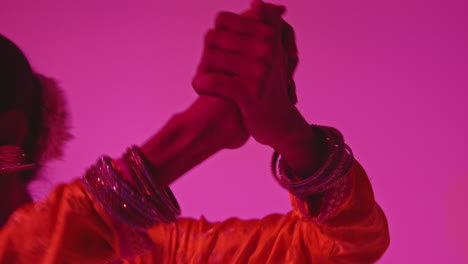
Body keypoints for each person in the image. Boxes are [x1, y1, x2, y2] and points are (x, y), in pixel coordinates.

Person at [0, 1, 389, 263]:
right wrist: (195, 133)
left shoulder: (148, 252)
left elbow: (343, 247)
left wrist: (292, 137)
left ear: (10, 133)